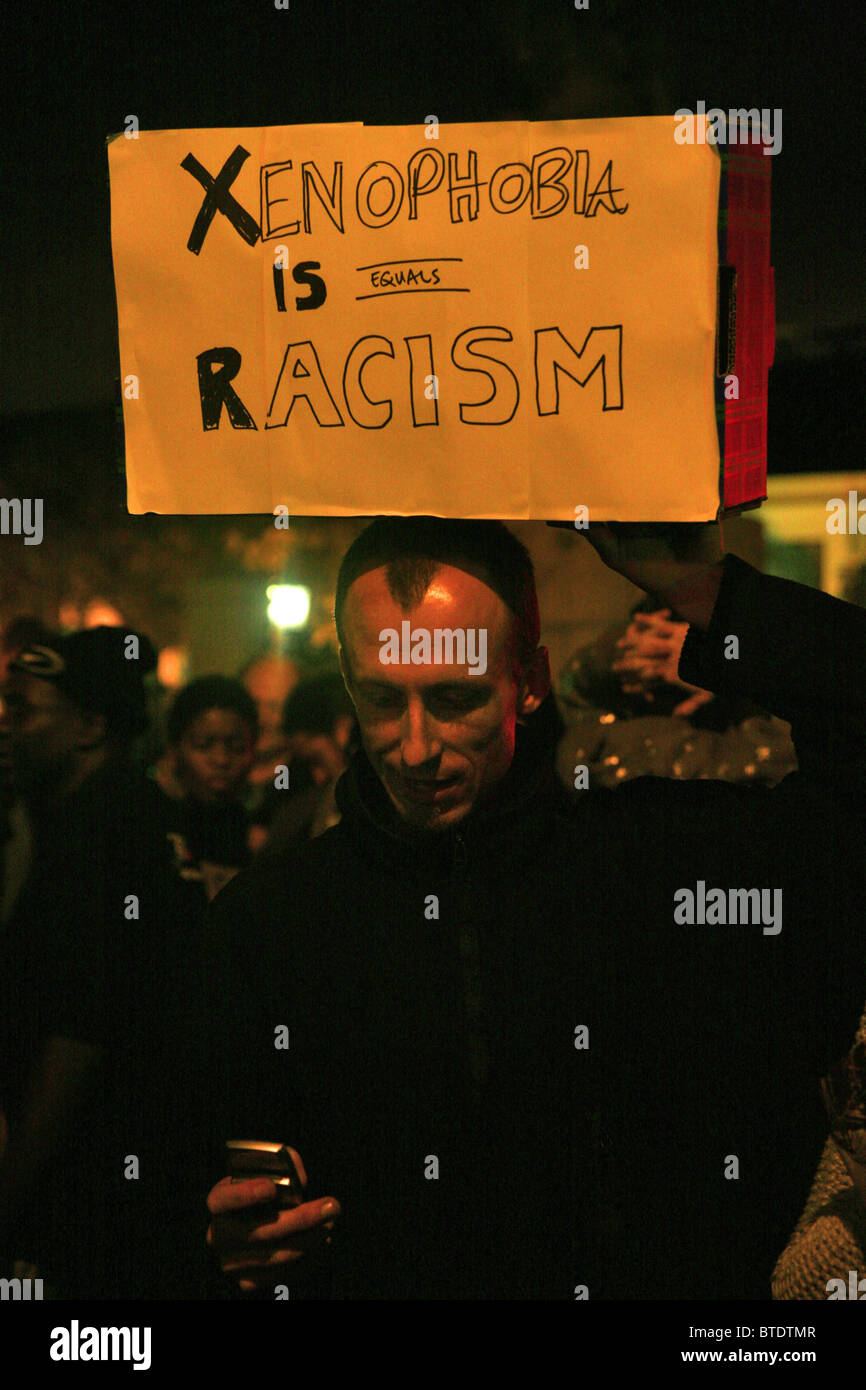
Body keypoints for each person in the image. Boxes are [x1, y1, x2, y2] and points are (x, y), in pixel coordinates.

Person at [201, 517, 866, 1300]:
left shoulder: (666, 858)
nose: (415, 748)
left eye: (455, 698)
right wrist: (225, 1233)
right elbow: (177, 1167)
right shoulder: (268, 920)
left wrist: (707, 591)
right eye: (382, 700)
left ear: (532, 678)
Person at [0, 627, 205, 1297]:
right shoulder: (104, 820)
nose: (6, 726)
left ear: (89, 726)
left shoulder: (103, 841)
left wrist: (10, 1196)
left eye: (23, 709)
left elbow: (79, 1035)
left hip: (91, 1196)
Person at [158, 675, 259, 903]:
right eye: (204, 746)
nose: (221, 760)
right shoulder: (150, 824)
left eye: (237, 747)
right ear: (175, 749)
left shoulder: (262, 831)